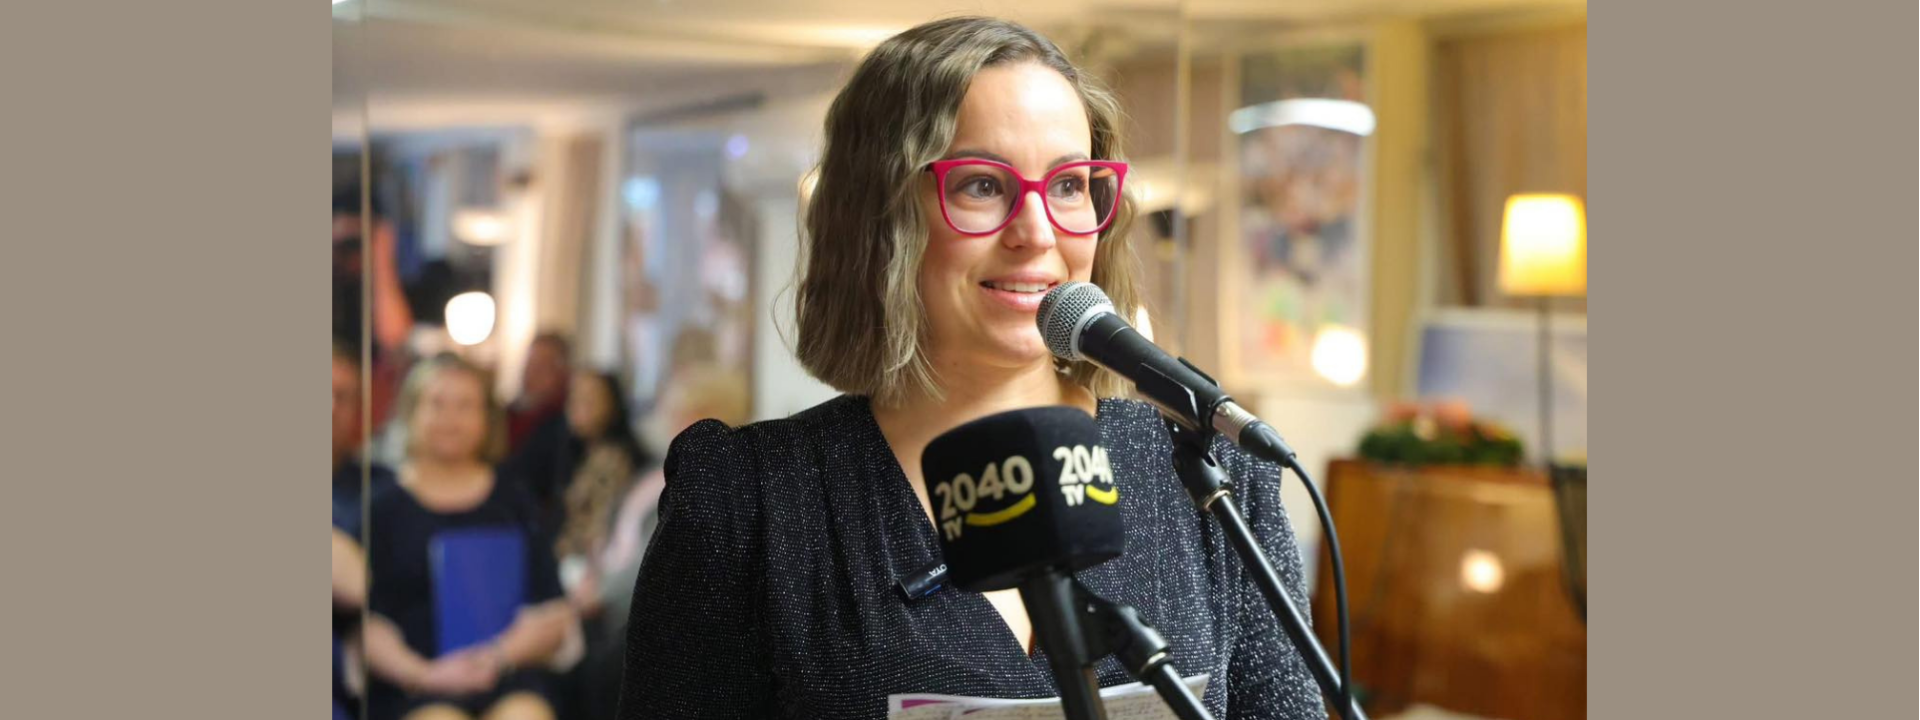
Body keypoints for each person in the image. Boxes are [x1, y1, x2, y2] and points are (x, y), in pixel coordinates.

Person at [617, 17, 1325, 720]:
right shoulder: (748, 505)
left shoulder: (1211, 483)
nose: (1037, 233)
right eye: (983, 185)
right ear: (881, 216)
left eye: (1069, 185)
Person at [365, 354, 575, 720]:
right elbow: (366, 621)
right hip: (415, 681)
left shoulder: (514, 500)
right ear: (412, 412)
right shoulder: (382, 507)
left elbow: (554, 611)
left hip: (508, 670)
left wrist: (497, 657)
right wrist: (424, 674)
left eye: (465, 406)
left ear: (486, 419)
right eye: (437, 404)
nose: (451, 419)